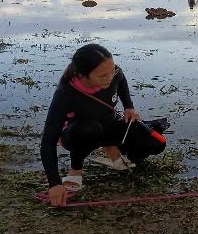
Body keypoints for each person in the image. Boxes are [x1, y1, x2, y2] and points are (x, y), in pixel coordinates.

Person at [40, 44, 142, 207]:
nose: (110, 78)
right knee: (89, 130)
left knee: (152, 142)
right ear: (82, 75)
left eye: (111, 71)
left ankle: (111, 147)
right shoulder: (66, 93)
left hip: (108, 122)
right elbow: (47, 142)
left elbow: (120, 78)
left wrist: (128, 107)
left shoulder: (111, 71)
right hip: (78, 131)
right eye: (102, 76)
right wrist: (54, 183)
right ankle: (75, 169)